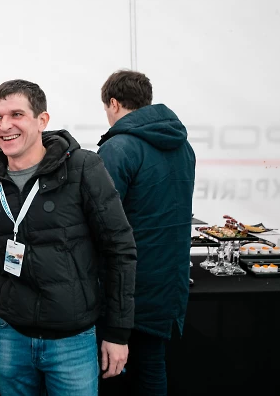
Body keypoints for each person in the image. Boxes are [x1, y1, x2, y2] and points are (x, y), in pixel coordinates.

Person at [0, 79, 137, 396]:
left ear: (41, 120)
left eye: (16, 114)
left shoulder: (82, 168)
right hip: (10, 336)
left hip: (71, 339)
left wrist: (117, 332)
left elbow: (119, 250)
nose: (5, 125)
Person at [96, 70, 196, 396]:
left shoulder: (118, 148)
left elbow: (100, 221)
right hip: (168, 280)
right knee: (151, 368)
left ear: (113, 103)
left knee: (110, 373)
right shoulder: (183, 147)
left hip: (126, 284)